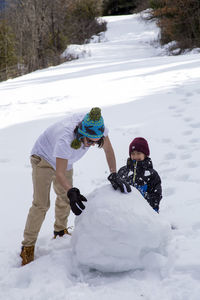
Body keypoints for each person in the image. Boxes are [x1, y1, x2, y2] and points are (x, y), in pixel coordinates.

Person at [20, 107, 128, 266]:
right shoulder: (66, 139)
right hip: (42, 158)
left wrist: (114, 173)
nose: (93, 144)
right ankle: (27, 247)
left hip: (65, 160)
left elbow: (108, 150)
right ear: (81, 133)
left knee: (65, 199)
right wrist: (71, 190)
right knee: (41, 204)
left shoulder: (97, 126)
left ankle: (60, 231)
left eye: (96, 141)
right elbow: (60, 174)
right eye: (90, 141)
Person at [114, 137, 162, 212]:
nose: (135, 156)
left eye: (138, 153)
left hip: (144, 213)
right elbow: (116, 191)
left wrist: (143, 197)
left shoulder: (152, 174)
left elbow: (156, 197)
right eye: (133, 154)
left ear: (145, 155)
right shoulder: (123, 171)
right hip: (124, 211)